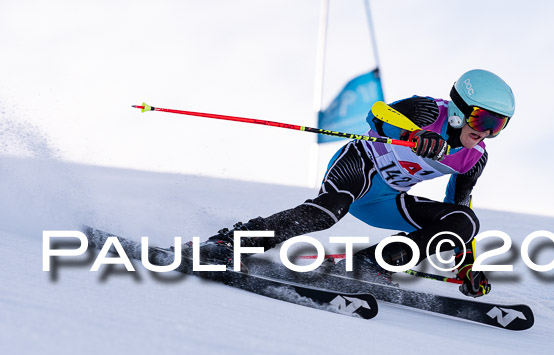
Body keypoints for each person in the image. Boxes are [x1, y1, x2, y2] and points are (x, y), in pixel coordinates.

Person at [200, 69, 515, 297]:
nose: (486, 132)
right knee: (328, 212)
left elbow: (457, 206)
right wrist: (414, 134)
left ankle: (370, 265)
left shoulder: (474, 157)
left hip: (386, 199)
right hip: (360, 166)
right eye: (482, 120)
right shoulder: (428, 110)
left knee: (464, 222)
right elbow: (377, 115)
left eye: (497, 125)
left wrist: (466, 265)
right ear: (460, 109)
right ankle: (233, 242)